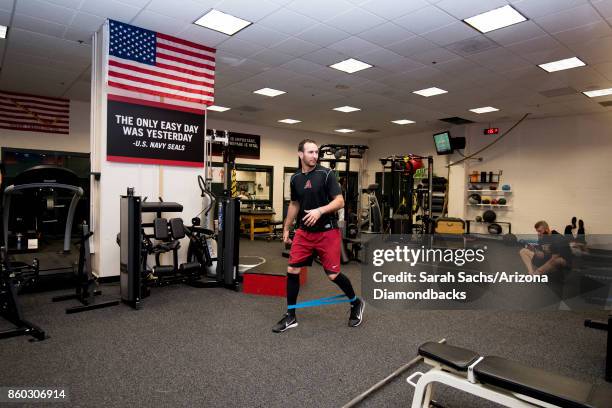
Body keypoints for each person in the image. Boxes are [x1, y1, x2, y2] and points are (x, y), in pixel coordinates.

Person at [272, 139, 365, 333]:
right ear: (300, 154)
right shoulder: (295, 178)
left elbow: (340, 201)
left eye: (316, 152)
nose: (315, 155)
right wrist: (287, 227)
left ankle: (355, 303)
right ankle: (291, 315)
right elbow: (295, 204)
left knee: (332, 275)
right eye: (310, 152)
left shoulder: (326, 174)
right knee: (292, 270)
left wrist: (320, 211)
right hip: (304, 233)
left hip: (327, 232)